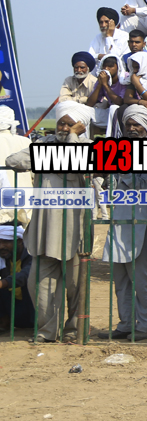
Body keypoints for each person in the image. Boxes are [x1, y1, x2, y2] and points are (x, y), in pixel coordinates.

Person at [7, 110, 93, 343]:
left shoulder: (88, 147)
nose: (64, 129)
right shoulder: (43, 144)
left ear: (81, 127)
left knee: (76, 285)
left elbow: (82, 166)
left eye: (70, 125)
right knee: (40, 285)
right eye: (61, 124)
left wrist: (73, 139)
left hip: (75, 228)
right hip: (44, 228)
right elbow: (13, 161)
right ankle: (47, 331)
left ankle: (74, 330)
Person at [96, 105, 147, 342]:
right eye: (129, 125)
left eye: (137, 125)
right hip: (119, 221)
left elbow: (141, 183)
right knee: (121, 279)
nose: (132, 129)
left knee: (141, 279)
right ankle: (125, 324)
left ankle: (145, 325)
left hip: (141, 222)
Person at [0, 225, 33, 331]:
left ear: (19, 241)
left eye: (5, 242)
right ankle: (4, 323)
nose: (1, 246)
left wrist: (3, 283)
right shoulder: (3, 258)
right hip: (12, 309)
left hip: (31, 309)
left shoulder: (31, 255)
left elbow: (25, 275)